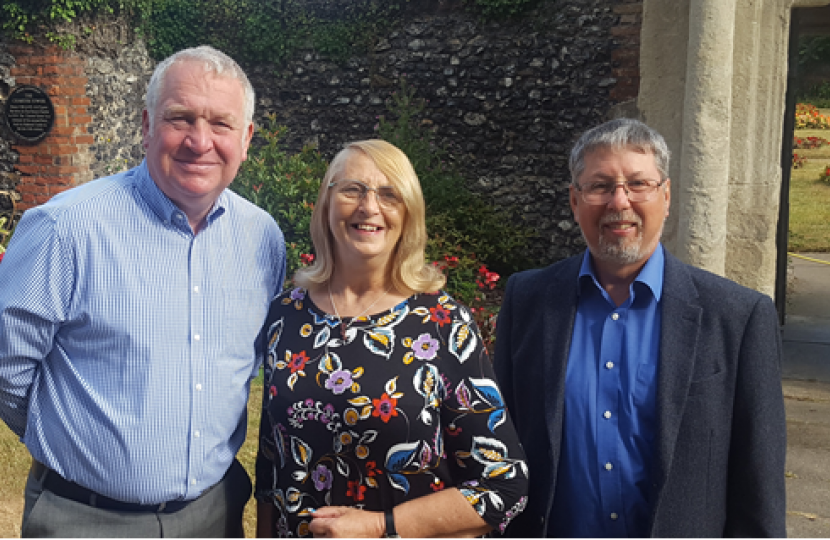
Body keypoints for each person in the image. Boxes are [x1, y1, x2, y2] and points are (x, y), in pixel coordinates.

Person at [0, 45, 286, 539]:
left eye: (220, 124)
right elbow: (7, 368)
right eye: (180, 118)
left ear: (246, 138)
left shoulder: (263, 239)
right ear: (147, 125)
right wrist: (75, 441)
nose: (200, 141)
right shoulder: (64, 229)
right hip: (85, 520)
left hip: (214, 516)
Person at [493, 118, 787, 539]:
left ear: (665, 196)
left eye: (638, 184)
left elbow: (759, 485)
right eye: (600, 186)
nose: (619, 201)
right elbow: (501, 447)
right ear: (575, 201)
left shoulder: (738, 317)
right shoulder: (529, 300)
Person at [255, 139, 529, 539]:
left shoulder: (442, 323)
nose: (369, 207)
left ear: (408, 214)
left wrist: (379, 527)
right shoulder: (286, 314)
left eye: (389, 195)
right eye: (352, 189)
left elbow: (505, 484)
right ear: (326, 203)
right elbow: (271, 464)